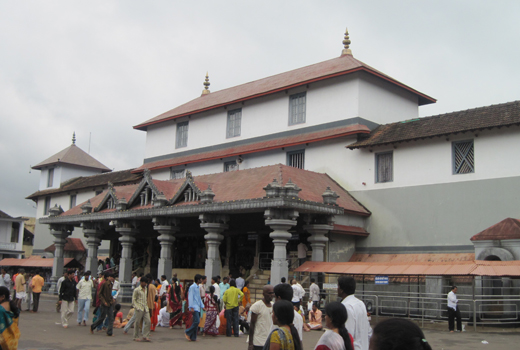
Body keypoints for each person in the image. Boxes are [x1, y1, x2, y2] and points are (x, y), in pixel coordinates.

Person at [338, 276, 369, 350]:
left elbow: (348, 334)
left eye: (338, 286)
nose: (337, 288)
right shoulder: (360, 303)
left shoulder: (346, 306)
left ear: (342, 290)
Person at [248, 285, 274, 350]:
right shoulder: (257, 306)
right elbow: (252, 325)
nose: (271, 295)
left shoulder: (274, 306)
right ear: (263, 294)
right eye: (269, 293)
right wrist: (250, 343)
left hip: (269, 341)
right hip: (258, 342)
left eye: (272, 293)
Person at [185, 274, 205, 342]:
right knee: (197, 321)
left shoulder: (197, 287)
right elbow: (190, 297)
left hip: (198, 307)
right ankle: (188, 332)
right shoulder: (192, 287)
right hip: (194, 306)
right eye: (201, 279)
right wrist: (191, 306)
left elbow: (199, 298)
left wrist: (202, 306)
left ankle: (193, 337)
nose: (201, 280)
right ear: (198, 279)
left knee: (196, 322)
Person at [133, 276, 151, 342]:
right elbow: (134, 300)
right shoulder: (137, 290)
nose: (145, 284)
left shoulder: (146, 289)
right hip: (139, 308)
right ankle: (136, 336)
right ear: (141, 282)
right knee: (137, 322)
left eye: (146, 283)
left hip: (145, 308)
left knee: (148, 321)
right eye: (144, 283)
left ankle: (145, 335)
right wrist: (137, 307)